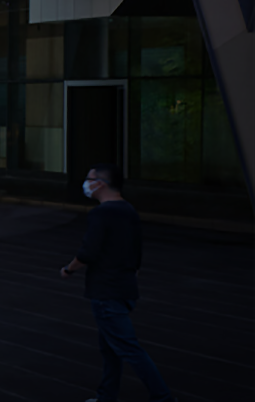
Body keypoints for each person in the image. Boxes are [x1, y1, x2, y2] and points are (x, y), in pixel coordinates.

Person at [60, 163, 175, 402]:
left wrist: (68, 269)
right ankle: (106, 396)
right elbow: (136, 251)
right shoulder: (128, 210)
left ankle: (163, 398)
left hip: (106, 291)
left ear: (100, 184)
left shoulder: (101, 213)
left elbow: (88, 252)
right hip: (125, 288)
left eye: (89, 179)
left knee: (128, 349)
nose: (86, 183)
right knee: (111, 349)